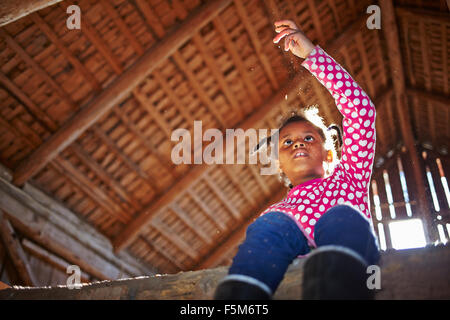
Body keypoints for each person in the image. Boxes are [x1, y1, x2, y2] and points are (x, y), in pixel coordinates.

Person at [213, 20, 380, 300]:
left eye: (309, 138)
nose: (298, 143)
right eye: (287, 142)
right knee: (268, 225)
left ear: (330, 153)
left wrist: (313, 56)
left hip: (344, 266)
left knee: (343, 216)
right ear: (278, 164)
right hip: (282, 240)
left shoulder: (349, 178)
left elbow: (361, 113)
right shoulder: (279, 212)